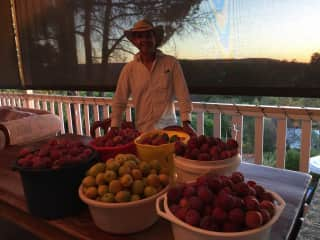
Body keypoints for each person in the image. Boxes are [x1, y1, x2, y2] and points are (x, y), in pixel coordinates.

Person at [110, 19, 195, 135]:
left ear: (155, 39)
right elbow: (119, 100)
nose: (144, 40)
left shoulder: (171, 63)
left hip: (169, 131)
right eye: (140, 36)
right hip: (142, 133)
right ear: (135, 41)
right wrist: (115, 126)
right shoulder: (129, 69)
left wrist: (186, 123)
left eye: (148, 35)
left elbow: (183, 94)